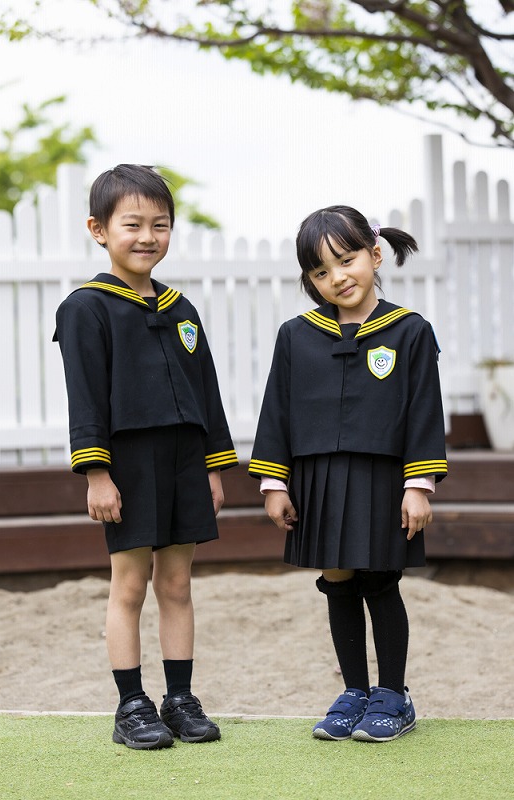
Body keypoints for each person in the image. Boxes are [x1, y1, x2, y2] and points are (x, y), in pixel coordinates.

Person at [54, 164, 238, 750]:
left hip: (184, 459)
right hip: (127, 464)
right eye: (131, 224)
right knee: (130, 584)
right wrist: (96, 474)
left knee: (178, 583)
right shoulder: (87, 308)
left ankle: (179, 698)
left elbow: (206, 389)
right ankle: (131, 703)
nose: (147, 236)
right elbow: (84, 397)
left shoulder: (182, 308)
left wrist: (213, 464)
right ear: (98, 229)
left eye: (160, 224)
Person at [249, 205, 447, 743]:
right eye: (320, 271)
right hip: (318, 480)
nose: (337, 277)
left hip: (384, 482)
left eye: (347, 259)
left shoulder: (409, 332)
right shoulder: (296, 335)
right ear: (310, 281)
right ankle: (355, 691)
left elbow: (425, 412)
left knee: (380, 581)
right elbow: (277, 411)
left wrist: (418, 486)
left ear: (374, 254)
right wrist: (274, 483)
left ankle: (394, 694)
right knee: (337, 580)